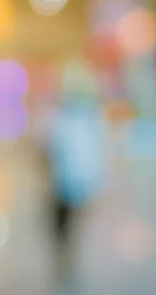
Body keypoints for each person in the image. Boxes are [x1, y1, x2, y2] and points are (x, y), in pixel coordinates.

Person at [45, 59, 106, 241]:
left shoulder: (78, 118)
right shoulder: (74, 118)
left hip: (72, 176)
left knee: (71, 215)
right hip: (67, 177)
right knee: (66, 215)